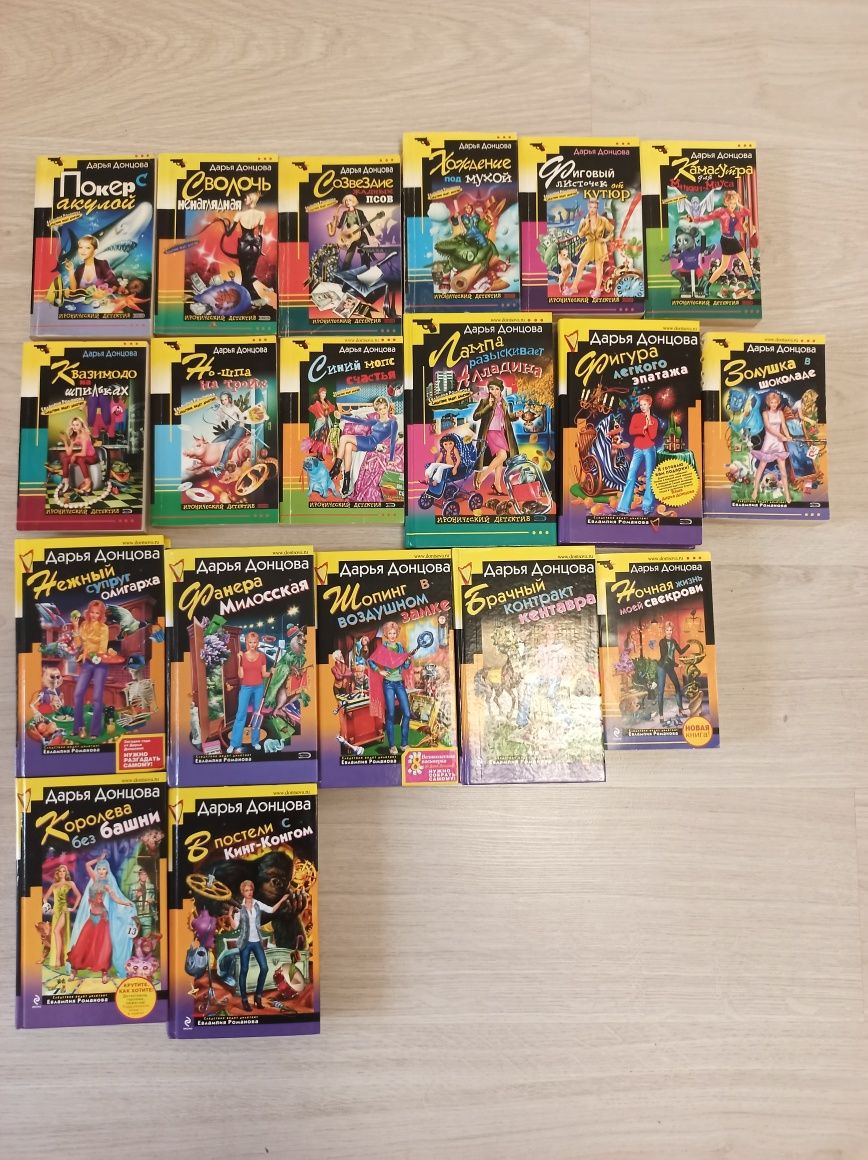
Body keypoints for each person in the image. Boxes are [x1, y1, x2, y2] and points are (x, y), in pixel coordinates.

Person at [67, 852, 135, 984]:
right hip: (92, 918)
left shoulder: (107, 884)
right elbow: (87, 865)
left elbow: (115, 898)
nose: (101, 871)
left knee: (104, 946)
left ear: (107, 871)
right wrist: (99, 859)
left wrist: (125, 903)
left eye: (104, 869)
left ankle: (104, 972)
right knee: (82, 944)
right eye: (99, 869)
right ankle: (74, 971)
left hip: (103, 919)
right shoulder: (94, 879)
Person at [232, 879, 293, 1010]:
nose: (249, 892)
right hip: (245, 943)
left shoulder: (257, 904)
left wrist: (282, 900)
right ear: (242, 892)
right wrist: (229, 916)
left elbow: (271, 910)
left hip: (256, 942)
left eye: (250, 890)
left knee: (264, 968)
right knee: (244, 970)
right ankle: (244, 1000)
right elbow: (235, 926)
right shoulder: (239, 908)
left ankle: (258, 997)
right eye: (246, 890)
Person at [689, 188, 758, 294]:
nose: (733, 205)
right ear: (726, 202)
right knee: (723, 267)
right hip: (725, 241)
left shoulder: (737, 214)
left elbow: (748, 213)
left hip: (733, 240)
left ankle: (754, 285)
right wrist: (693, 219)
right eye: (731, 203)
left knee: (746, 262)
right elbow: (707, 217)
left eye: (734, 203)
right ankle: (707, 286)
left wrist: (738, 204)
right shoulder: (721, 211)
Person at [330, 396, 400, 497]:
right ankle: (347, 480)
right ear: (377, 411)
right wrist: (342, 416)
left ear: (388, 407)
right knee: (348, 446)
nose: (383, 411)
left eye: (385, 407)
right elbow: (359, 421)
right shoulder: (376, 421)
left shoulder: (393, 423)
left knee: (344, 438)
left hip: (373, 444)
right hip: (367, 440)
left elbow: (393, 441)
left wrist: (391, 459)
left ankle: (336, 468)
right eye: (380, 409)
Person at [367, 621, 414, 755]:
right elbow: (370, 661)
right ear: (386, 635)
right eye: (390, 633)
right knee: (391, 714)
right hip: (388, 684)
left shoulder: (400, 647)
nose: (392, 635)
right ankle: (392, 745)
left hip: (399, 683)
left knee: (407, 713)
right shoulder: (383, 647)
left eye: (394, 633)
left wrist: (407, 660)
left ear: (396, 634)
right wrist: (379, 671)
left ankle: (404, 744)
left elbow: (404, 666)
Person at [473, 377, 521, 494]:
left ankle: (497, 485)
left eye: (496, 389)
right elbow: (475, 416)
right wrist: (488, 406)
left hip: (501, 432)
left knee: (500, 458)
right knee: (503, 455)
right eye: (491, 389)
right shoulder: (484, 402)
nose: (494, 391)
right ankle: (481, 477)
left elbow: (506, 417)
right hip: (490, 432)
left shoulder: (503, 403)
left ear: (500, 390)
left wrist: (515, 415)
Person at [72, 600, 111, 738]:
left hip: (100, 664)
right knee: (78, 694)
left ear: (101, 614)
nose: (94, 615)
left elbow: (102, 649)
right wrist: (75, 627)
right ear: (88, 612)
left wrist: (90, 654)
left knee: (97, 698)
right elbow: (78, 644)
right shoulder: (84, 625)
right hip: (87, 664)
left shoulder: (104, 628)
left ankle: (95, 732)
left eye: (97, 613)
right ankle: (78, 727)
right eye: (92, 612)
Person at [615, 394, 659, 516]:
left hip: (650, 449)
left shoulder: (654, 420)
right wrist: (643, 428)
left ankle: (647, 507)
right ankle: (623, 508)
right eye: (641, 405)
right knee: (631, 476)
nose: (642, 407)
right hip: (638, 449)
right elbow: (631, 431)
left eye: (645, 404)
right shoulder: (636, 417)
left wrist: (649, 422)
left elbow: (653, 436)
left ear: (650, 404)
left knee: (650, 477)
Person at [228, 631, 268, 752]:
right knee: (241, 714)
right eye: (250, 642)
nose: (252, 645)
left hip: (258, 687)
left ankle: (255, 741)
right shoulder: (242, 656)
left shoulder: (262, 656)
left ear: (257, 643)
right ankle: (234, 743)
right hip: (246, 687)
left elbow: (264, 674)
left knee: (257, 714)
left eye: (254, 642)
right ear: (246, 642)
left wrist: (272, 672)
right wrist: (239, 659)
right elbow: (241, 675)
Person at [751, 391, 793, 503]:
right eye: (771, 402)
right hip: (769, 443)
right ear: (768, 403)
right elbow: (769, 428)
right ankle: (755, 490)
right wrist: (782, 436)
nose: (774, 404)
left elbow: (783, 426)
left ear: (778, 402)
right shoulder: (765, 413)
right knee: (761, 467)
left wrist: (788, 436)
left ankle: (787, 494)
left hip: (778, 444)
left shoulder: (780, 413)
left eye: (775, 402)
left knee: (783, 470)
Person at [568, 198, 614, 298]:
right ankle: (574, 287)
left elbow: (612, 230)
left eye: (595, 207)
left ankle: (597, 289)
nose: (593, 209)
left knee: (599, 267)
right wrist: (586, 225)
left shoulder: (603, 220)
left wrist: (606, 239)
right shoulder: (584, 220)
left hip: (600, 246)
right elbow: (580, 235)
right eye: (591, 207)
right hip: (589, 244)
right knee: (580, 265)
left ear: (597, 208)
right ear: (588, 207)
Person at [43, 864, 81, 970]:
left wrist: (73, 908)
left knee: (56, 931)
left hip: (64, 909)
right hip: (55, 911)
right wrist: (48, 908)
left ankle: (58, 960)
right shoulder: (54, 885)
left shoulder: (70, 883)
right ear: (58, 873)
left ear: (66, 872)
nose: (62, 873)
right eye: (60, 871)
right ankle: (59, 959)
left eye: (64, 871)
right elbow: (45, 898)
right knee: (57, 933)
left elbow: (79, 895)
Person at [211, 391, 250, 476]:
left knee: (228, 447)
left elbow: (241, 415)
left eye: (225, 399)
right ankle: (213, 463)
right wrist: (217, 411)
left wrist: (242, 422)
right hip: (231, 429)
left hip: (239, 428)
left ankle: (220, 468)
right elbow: (219, 420)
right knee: (214, 442)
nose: (224, 401)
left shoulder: (234, 407)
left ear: (229, 399)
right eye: (222, 400)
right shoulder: (222, 409)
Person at [655, 622, 688, 720]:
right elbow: (665, 657)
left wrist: (689, 645)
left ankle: (681, 710)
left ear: (672, 631)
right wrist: (677, 665)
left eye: (670, 630)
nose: (669, 632)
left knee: (677, 686)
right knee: (660, 691)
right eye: (667, 630)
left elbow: (680, 651)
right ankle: (661, 715)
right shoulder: (662, 642)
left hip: (670, 667)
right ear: (664, 631)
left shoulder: (673, 641)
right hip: (662, 667)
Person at [59, 416, 99, 494]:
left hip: (92, 457)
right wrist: (65, 441)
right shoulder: (74, 435)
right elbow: (68, 452)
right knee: (65, 459)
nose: (74, 427)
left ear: (81, 425)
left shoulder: (84, 434)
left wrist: (74, 455)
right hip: (85, 456)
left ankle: (88, 482)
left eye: (77, 425)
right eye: (73, 425)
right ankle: (66, 483)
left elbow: (83, 453)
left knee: (80, 459)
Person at [130, 866, 156, 937]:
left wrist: (152, 901)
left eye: (145, 874)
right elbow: (130, 901)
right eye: (142, 874)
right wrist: (136, 896)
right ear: (139, 876)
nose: (143, 876)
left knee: (146, 938)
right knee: (133, 937)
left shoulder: (151, 886)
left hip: (147, 915)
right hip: (136, 915)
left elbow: (154, 899)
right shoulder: (133, 887)